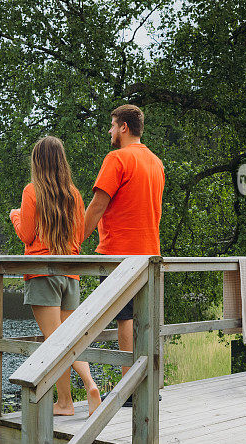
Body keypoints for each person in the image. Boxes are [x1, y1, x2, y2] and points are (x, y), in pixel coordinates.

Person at [9, 136, 102, 417]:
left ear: (37, 162)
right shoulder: (73, 193)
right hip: (70, 274)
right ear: (62, 162)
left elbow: (26, 235)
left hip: (42, 274)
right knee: (66, 339)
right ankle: (66, 403)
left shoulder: (31, 191)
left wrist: (15, 215)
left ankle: (88, 384)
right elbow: (78, 236)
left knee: (56, 342)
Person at [83, 104, 165, 394]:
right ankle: (149, 385)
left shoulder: (117, 159)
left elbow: (96, 207)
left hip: (119, 254)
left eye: (112, 125)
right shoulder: (156, 163)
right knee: (145, 320)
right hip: (150, 254)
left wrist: (74, 242)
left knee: (125, 319)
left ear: (124, 128)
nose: (110, 131)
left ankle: (129, 388)